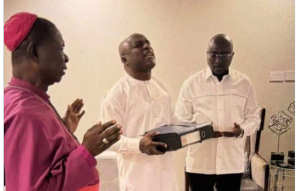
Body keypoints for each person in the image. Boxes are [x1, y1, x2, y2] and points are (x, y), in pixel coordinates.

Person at [4, 12, 122, 191]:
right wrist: (86, 152)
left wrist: (65, 128)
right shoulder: (24, 112)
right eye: (60, 49)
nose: (66, 58)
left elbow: (44, 163)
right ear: (34, 52)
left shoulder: (29, 99)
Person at [175, 34, 261, 191]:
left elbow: (254, 118)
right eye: (213, 54)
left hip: (231, 164)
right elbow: (180, 121)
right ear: (207, 54)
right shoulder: (191, 84)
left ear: (232, 55)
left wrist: (242, 130)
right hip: (200, 163)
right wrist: (201, 132)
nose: (218, 60)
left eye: (224, 55)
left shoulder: (244, 84)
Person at [99, 33, 179, 191]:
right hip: (137, 182)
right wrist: (138, 145)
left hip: (168, 180)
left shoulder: (162, 89)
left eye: (148, 43)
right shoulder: (116, 95)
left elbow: (174, 123)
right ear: (124, 60)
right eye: (138, 45)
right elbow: (107, 140)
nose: (147, 47)